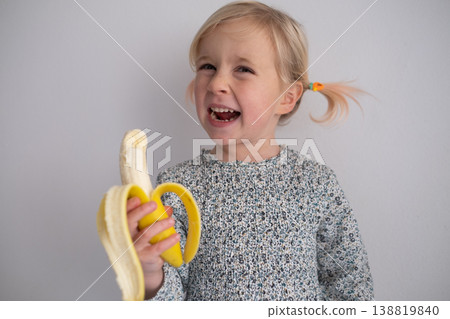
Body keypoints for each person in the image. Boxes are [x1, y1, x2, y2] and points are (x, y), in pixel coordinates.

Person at [126, 1, 374, 300]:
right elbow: (172, 297)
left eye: (243, 69)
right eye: (208, 66)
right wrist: (151, 271)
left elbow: (351, 285)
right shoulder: (177, 188)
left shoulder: (317, 185)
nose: (217, 82)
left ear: (287, 97)